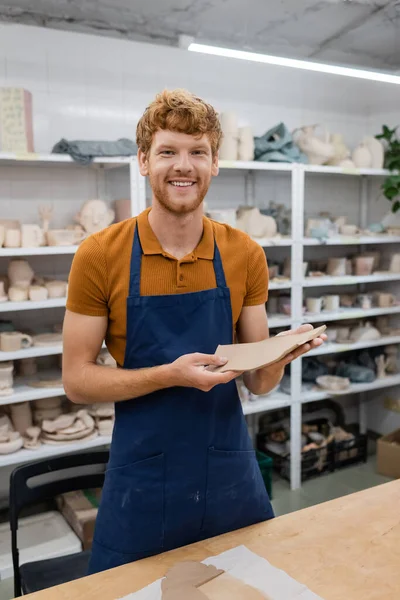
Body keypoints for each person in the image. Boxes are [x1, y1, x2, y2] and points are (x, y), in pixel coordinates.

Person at [62, 89, 326, 574]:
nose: (183, 166)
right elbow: (77, 381)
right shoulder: (100, 255)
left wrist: (282, 353)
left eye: (197, 152)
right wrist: (169, 375)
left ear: (214, 164)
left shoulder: (244, 253)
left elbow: (259, 382)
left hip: (227, 468)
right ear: (143, 161)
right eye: (168, 152)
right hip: (141, 477)